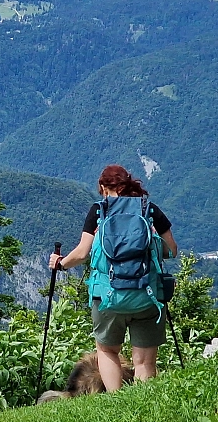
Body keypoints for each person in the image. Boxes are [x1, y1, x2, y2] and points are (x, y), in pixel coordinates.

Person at [48, 164, 177, 391]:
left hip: (107, 296)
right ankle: (143, 401)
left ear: (102, 186)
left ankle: (116, 400)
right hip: (147, 294)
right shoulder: (149, 210)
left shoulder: (99, 211)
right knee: (144, 361)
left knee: (107, 351)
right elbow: (171, 251)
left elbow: (82, 253)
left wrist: (60, 263)